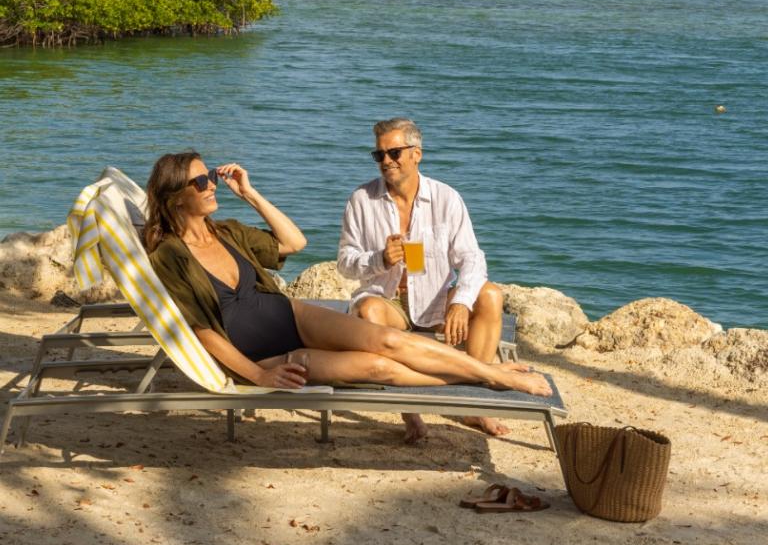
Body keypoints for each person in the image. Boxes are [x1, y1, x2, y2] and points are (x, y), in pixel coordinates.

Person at [144, 150, 551, 405]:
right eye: (201, 182)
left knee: (390, 341)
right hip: (265, 354)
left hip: (293, 315)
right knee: (379, 368)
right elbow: (201, 332)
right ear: (175, 196)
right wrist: (260, 376)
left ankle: (489, 375)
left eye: (210, 177)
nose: (211, 185)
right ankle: (488, 378)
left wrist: (250, 194)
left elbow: (293, 242)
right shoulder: (170, 256)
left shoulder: (227, 231)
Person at [338, 118, 510, 443]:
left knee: (489, 296)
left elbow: (472, 258)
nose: (386, 161)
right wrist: (380, 259)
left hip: (434, 299)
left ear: (417, 154)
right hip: (387, 301)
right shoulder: (361, 200)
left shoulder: (446, 198)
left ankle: (473, 402)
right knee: (370, 311)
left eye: (394, 153)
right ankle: (409, 408)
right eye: (379, 155)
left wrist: (460, 301)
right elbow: (345, 264)